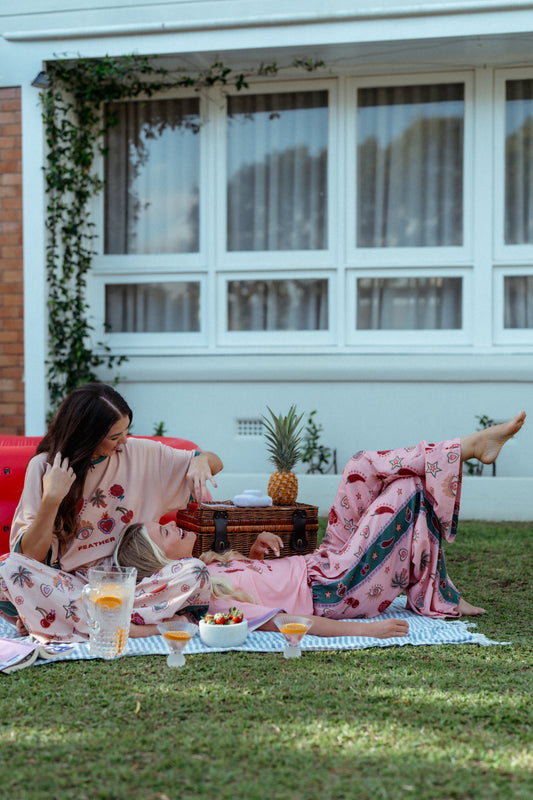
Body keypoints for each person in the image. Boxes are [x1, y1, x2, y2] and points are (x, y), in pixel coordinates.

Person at [115, 411, 527, 641]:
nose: (173, 526)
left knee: (360, 466)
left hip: (324, 561)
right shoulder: (212, 605)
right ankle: (466, 453)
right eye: (165, 533)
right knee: (405, 493)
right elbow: (292, 622)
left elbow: (263, 575)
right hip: (336, 591)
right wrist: (366, 632)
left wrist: (257, 554)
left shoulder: (214, 566)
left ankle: (464, 450)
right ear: (161, 565)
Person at [0, 382, 222, 642]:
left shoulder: (139, 453)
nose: (124, 442)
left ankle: (61, 623)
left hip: (135, 583)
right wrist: (51, 499)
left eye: (126, 432)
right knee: (7, 568)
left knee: (195, 572)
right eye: (115, 437)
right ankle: (141, 627)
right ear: (87, 436)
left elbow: (214, 461)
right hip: (71, 587)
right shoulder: (42, 468)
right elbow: (30, 558)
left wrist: (199, 460)